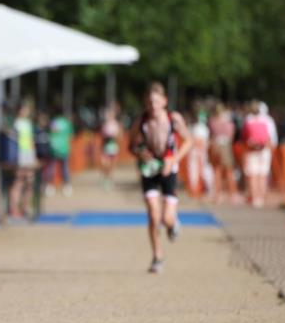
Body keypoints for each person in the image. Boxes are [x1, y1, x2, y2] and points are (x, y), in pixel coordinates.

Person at [127, 82, 193, 273]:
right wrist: (139, 153)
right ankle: (157, 256)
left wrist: (174, 160)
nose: (153, 105)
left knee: (166, 218)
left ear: (164, 101)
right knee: (153, 215)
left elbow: (189, 141)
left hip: (169, 169)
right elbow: (130, 145)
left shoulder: (174, 119)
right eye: (149, 102)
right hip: (149, 169)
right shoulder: (141, 121)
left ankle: (173, 224)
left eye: (156, 101)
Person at [241, 100, 274, 208]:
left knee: (253, 175)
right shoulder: (268, 120)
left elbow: (244, 137)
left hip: (252, 150)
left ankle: (255, 198)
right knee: (263, 175)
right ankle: (261, 197)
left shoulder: (248, 120)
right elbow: (271, 137)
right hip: (265, 150)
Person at [8, 100, 37, 221]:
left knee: (30, 181)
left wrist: (34, 156)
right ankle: (14, 209)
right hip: (20, 155)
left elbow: (31, 141)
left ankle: (26, 207)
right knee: (18, 182)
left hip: (29, 155)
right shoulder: (16, 124)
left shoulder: (28, 123)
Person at [207, 102, 238, 204]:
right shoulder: (227, 121)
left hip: (216, 145)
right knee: (228, 171)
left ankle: (218, 196)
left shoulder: (212, 121)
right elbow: (231, 135)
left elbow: (211, 134)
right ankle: (232, 195)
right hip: (225, 146)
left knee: (217, 171)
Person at [46, 111, 74, 197]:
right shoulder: (67, 123)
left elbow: (50, 133)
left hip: (54, 148)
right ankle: (66, 186)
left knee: (52, 167)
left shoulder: (53, 122)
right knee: (64, 168)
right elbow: (71, 135)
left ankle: (50, 186)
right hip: (64, 148)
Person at [99, 105, 122, 190]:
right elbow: (102, 137)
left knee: (112, 166)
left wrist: (114, 136)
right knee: (105, 165)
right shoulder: (104, 125)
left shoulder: (116, 124)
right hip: (105, 148)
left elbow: (120, 136)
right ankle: (106, 178)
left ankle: (110, 180)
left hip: (114, 148)